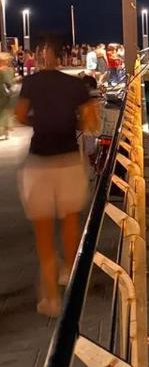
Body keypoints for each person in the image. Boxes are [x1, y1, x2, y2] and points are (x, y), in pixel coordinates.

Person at [15, 35, 99, 316]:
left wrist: (39, 121)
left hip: (39, 162)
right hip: (67, 160)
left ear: (40, 57)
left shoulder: (31, 82)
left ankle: (50, 298)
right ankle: (69, 274)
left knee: (43, 233)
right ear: (62, 57)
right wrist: (71, 122)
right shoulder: (76, 85)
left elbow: (19, 115)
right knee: (70, 221)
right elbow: (91, 123)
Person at [0, 52, 15, 139]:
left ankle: (3, 130)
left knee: (2, 111)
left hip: (1, 92)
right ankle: (6, 130)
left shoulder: (1, 71)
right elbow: (11, 82)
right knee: (6, 110)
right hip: (8, 93)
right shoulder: (10, 70)